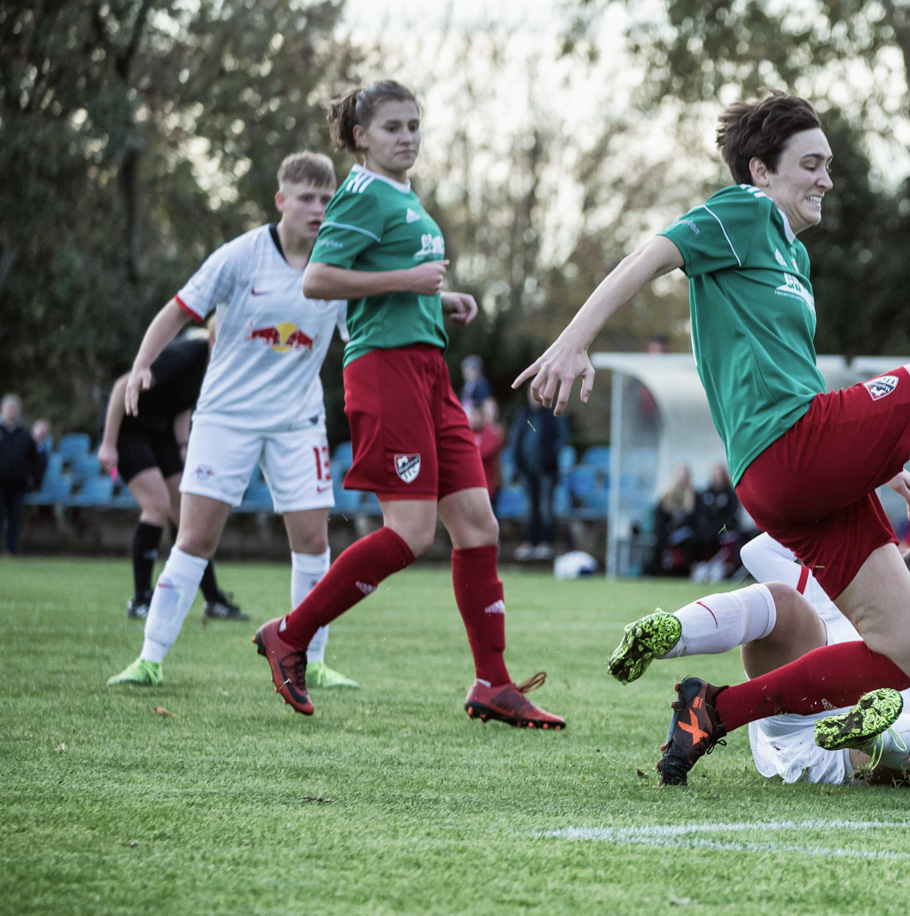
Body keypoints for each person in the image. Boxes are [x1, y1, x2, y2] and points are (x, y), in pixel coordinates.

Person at [518, 91, 910, 785]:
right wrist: (572, 342)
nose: (826, 179)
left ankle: (713, 712)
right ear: (761, 170)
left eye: (829, 166)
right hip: (792, 449)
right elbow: (651, 255)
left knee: (907, 649)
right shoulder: (745, 210)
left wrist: (877, 466)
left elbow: (785, 377)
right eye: (811, 164)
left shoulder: (792, 257)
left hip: (792, 473)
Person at [252, 79, 564, 727]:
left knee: (479, 525)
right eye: (393, 127)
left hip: (429, 369)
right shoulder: (361, 193)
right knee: (412, 534)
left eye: (415, 125)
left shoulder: (403, 195)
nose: (408, 137)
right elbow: (316, 279)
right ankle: (291, 632)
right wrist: (409, 282)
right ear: (361, 136)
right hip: (385, 372)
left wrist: (436, 300)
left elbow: (389, 282)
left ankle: (493, 684)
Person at [107, 152, 363, 690]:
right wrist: (140, 368)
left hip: (298, 423)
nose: (317, 208)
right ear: (281, 200)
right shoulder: (241, 256)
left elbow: (367, 329)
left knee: (314, 542)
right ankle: (150, 659)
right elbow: (179, 309)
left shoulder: (335, 264)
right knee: (196, 538)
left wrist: (442, 299)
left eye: (325, 198)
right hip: (225, 419)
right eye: (306, 198)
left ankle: (310, 658)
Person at [609, 537, 910, 785]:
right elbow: (756, 553)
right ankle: (675, 632)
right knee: (784, 599)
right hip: (784, 711)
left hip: (839, 758)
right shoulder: (846, 597)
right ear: (900, 581)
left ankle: (870, 736)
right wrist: (850, 491)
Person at [97, 337, 245, 621]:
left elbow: (182, 407)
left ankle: (214, 600)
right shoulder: (187, 354)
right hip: (129, 428)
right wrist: (108, 443)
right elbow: (121, 387)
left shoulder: (217, 369)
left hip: (160, 433)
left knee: (189, 515)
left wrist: (184, 446)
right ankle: (141, 600)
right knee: (157, 506)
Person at [508, 400, 565, 559]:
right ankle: (531, 542)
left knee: (546, 507)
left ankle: (546, 543)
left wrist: (550, 457)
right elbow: (515, 438)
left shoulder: (552, 415)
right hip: (526, 470)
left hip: (547, 470)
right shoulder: (524, 415)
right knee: (530, 507)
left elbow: (560, 439)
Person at [0, 395, 48, 555]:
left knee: (15, 519)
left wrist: (34, 482)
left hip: (19, 485)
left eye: (15, 409)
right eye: (9, 408)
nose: (13, 412)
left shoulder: (26, 435)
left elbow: (37, 461)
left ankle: (10, 551)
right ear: (3, 410)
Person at [649, 463, 699, 575]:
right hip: (668, 533)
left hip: (686, 533)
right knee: (659, 543)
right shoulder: (666, 495)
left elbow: (695, 519)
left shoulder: (694, 496)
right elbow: (660, 519)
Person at [470, 399, 504, 500]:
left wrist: (469, 454)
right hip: (471, 486)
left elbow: (487, 451)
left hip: (489, 485)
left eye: (477, 415)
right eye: (473, 415)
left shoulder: (490, 433)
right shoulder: (467, 433)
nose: (475, 418)